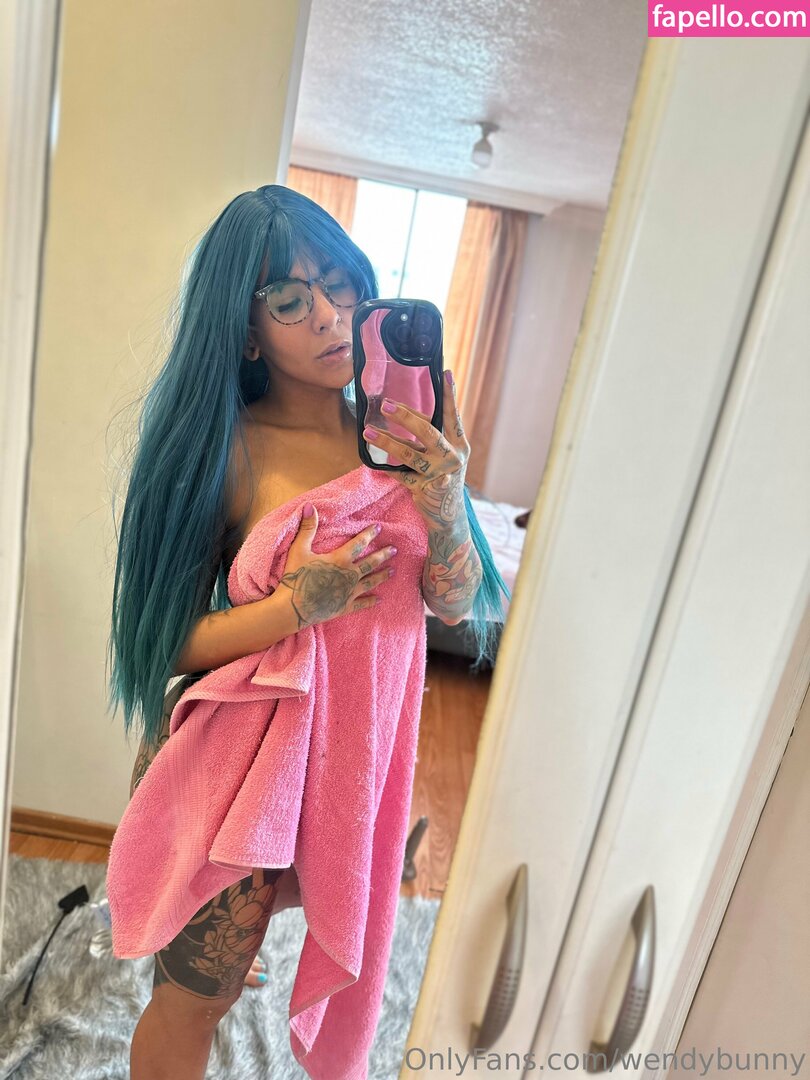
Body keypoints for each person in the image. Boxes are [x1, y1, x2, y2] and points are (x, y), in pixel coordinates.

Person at [106, 184, 508, 1080]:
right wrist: (294, 608)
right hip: (242, 768)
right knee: (193, 1002)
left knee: (274, 946)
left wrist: (447, 498)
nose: (330, 317)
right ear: (248, 332)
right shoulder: (226, 449)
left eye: (341, 286)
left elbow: (453, 603)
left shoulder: (402, 438)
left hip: (353, 756)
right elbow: (164, 645)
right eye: (290, 300)